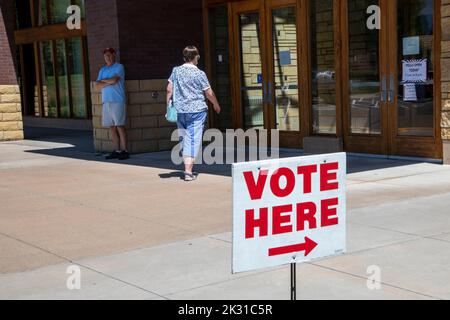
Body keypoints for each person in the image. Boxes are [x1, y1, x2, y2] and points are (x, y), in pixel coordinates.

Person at [167, 46, 221, 181]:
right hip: (197, 111)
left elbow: (169, 90)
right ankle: (188, 171)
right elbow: (209, 93)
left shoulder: (176, 71)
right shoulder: (199, 73)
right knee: (193, 139)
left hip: (181, 111)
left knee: (184, 138)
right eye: (198, 57)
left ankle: (187, 167)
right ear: (195, 57)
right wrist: (215, 104)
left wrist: (168, 107)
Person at [95, 47, 129, 160]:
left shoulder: (119, 67)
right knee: (112, 127)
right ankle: (116, 150)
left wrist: (104, 81)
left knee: (119, 126)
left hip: (117, 100)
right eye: (106, 56)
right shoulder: (102, 70)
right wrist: (108, 81)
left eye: (109, 55)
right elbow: (97, 85)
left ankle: (124, 151)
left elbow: (114, 80)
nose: (108, 57)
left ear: (114, 55)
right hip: (106, 101)